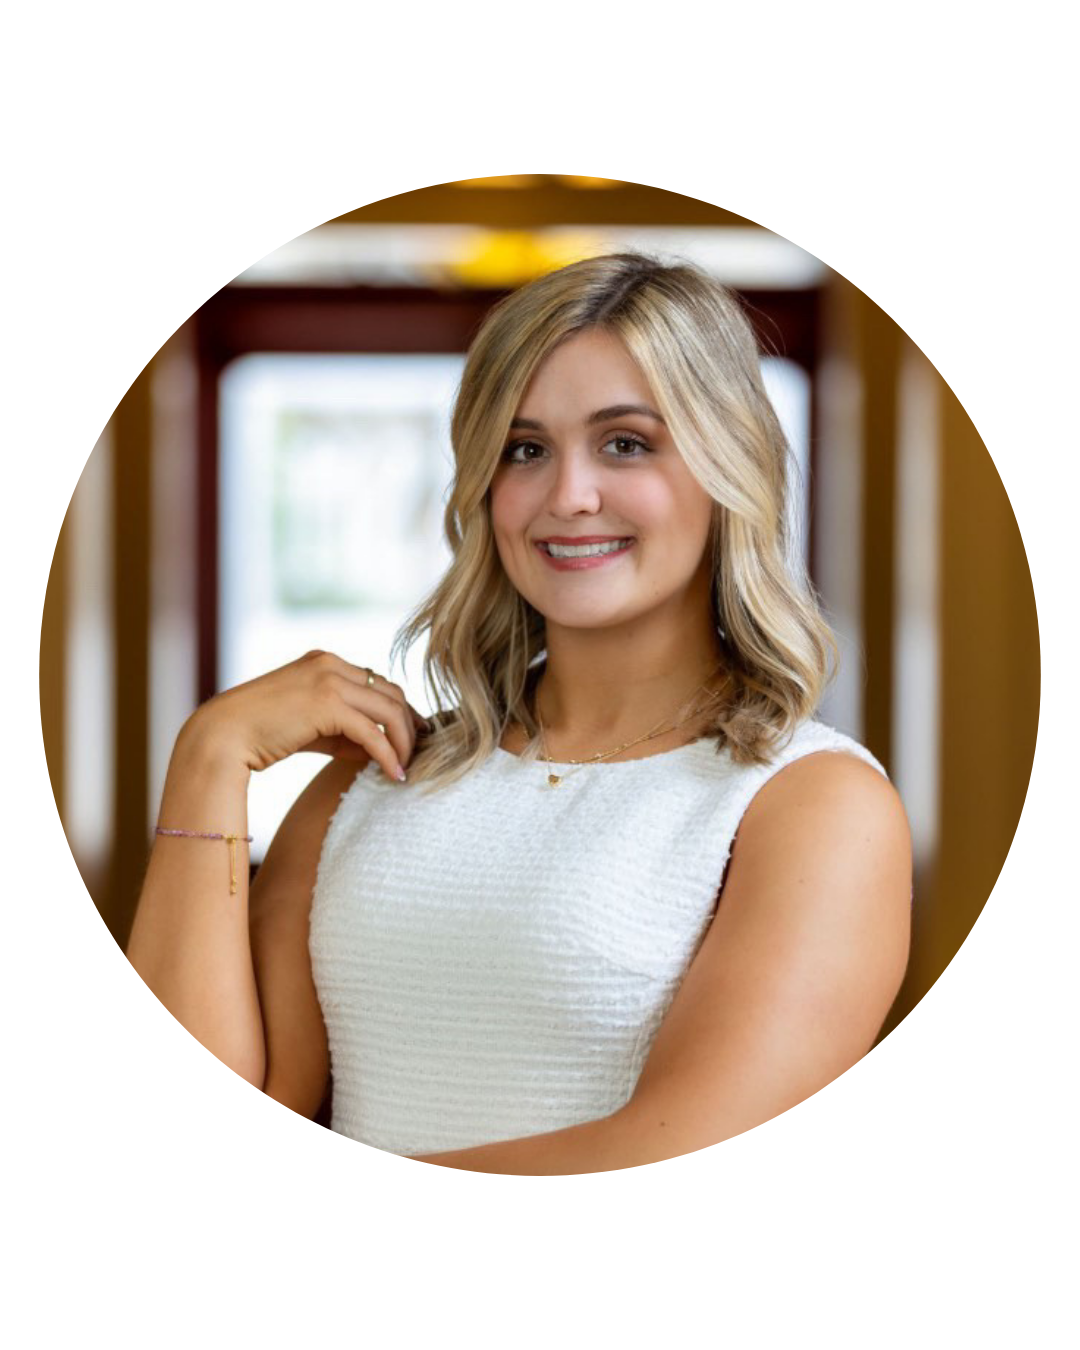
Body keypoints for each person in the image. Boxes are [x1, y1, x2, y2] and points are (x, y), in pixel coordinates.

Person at [126, 251, 912, 1170]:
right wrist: (209, 756)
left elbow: (675, 1144)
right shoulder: (372, 781)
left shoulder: (812, 804)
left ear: (725, 467)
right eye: (525, 450)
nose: (568, 497)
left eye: (626, 443)